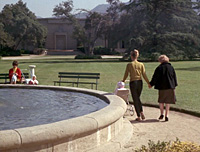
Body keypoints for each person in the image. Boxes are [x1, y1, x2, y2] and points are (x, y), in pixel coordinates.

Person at [122, 49, 151, 121]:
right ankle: (141, 112)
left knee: (135, 99)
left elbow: (126, 74)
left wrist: (123, 81)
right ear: (137, 56)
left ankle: (138, 115)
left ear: (131, 56)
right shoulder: (141, 64)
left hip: (133, 82)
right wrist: (148, 83)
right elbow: (144, 74)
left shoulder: (129, 65)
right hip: (140, 82)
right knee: (137, 98)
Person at [149, 55, 178, 121]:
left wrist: (151, 84)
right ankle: (166, 115)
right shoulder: (171, 67)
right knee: (168, 102)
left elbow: (155, 77)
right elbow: (174, 77)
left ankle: (161, 113)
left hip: (162, 87)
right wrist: (174, 85)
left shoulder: (159, 68)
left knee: (161, 101)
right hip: (170, 86)